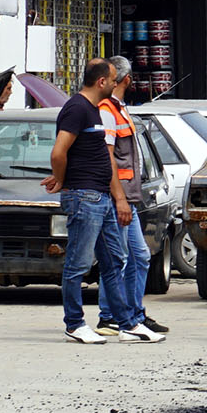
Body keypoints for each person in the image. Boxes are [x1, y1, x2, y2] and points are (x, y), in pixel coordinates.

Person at [44, 59, 146, 344]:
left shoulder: (95, 111)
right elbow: (58, 152)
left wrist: (118, 197)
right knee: (78, 264)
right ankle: (74, 324)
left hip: (102, 197)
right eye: (113, 80)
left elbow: (105, 157)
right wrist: (61, 179)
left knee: (115, 261)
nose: (116, 85)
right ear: (102, 82)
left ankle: (127, 324)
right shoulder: (77, 109)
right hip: (84, 197)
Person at [96, 56, 168, 341]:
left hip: (128, 196)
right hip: (119, 197)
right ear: (127, 80)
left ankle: (133, 313)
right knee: (116, 258)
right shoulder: (106, 110)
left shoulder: (119, 109)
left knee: (137, 256)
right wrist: (120, 198)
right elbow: (108, 156)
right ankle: (110, 316)